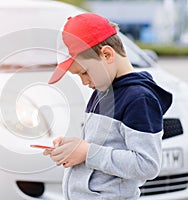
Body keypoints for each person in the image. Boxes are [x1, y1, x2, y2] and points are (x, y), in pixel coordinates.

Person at [43, 13, 172, 200]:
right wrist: (72, 148)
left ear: (107, 54)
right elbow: (100, 144)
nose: (84, 81)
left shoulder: (139, 99)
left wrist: (87, 152)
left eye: (84, 72)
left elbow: (147, 165)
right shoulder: (102, 92)